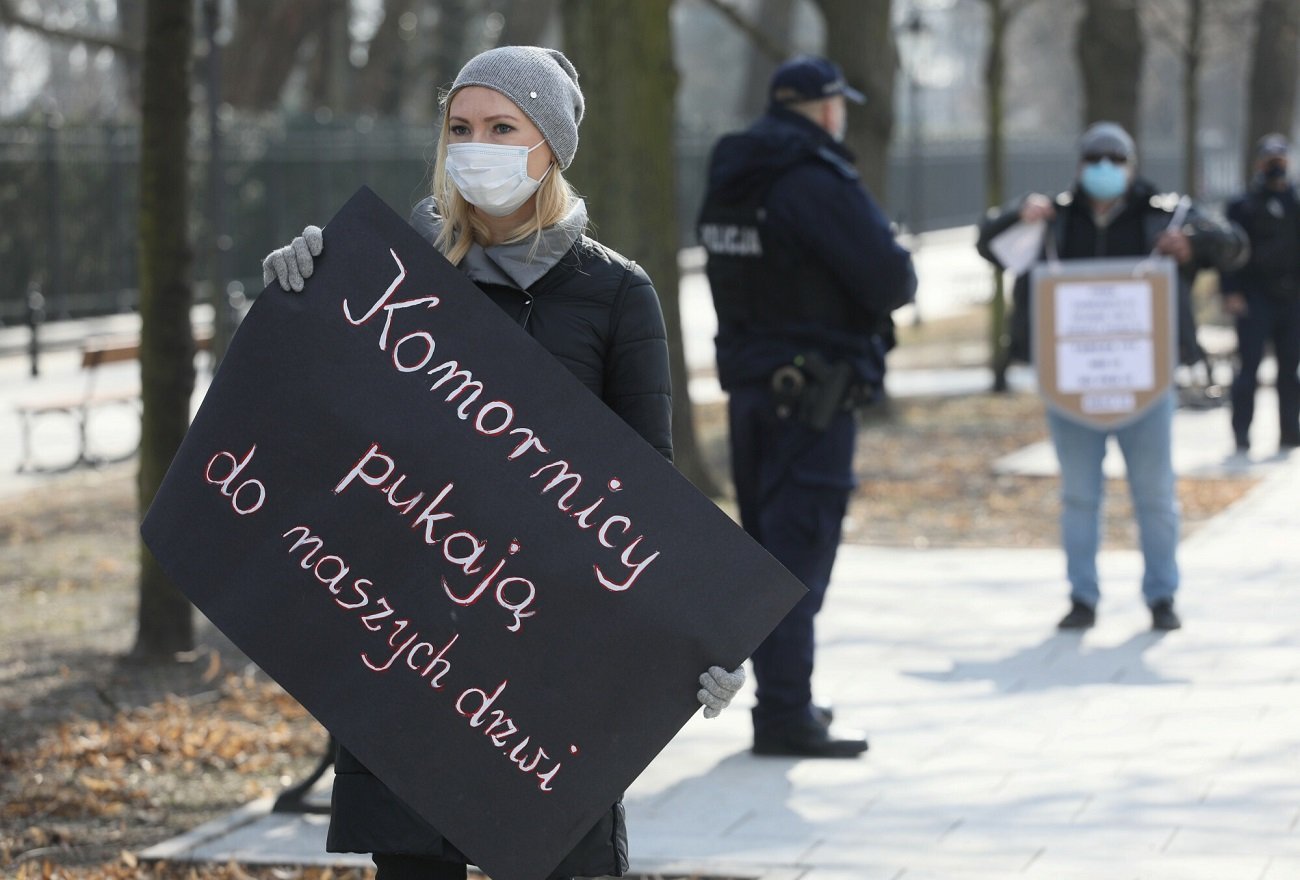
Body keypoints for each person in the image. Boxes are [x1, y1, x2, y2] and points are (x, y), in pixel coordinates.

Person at [262, 45, 747, 880]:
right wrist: (298, 295)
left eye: (500, 127)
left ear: (548, 145)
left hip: (552, 660)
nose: (474, 144)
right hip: (411, 646)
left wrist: (697, 640)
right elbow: (312, 429)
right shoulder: (388, 271)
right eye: (460, 127)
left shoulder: (616, 293)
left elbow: (647, 497)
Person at [696, 56, 916, 758]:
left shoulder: (734, 175)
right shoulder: (815, 180)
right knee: (799, 556)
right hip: (812, 397)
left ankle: (786, 700)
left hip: (753, 390)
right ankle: (785, 714)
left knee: (768, 550)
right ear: (824, 109)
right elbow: (890, 278)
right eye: (839, 105)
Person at [976, 121, 1247, 633]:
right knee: (1079, 496)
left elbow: (1233, 246)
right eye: (1095, 158)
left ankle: (1162, 596)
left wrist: (1191, 244)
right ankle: (1083, 598)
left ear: (1132, 165)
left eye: (1116, 158)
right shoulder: (1053, 221)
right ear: (1080, 166)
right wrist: (1017, 214)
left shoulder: (1164, 215)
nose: (1105, 167)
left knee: (1154, 494)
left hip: (1145, 384)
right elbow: (989, 246)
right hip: (1071, 384)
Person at [1222, 133, 1300, 455]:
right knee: (1248, 370)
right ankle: (1241, 435)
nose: (1275, 168)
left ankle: (1290, 433)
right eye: (1270, 162)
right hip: (1254, 298)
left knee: (1289, 371)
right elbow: (1227, 252)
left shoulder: (1296, 202)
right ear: (1258, 164)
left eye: (1280, 162)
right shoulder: (1242, 205)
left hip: (1292, 299)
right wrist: (1231, 292)